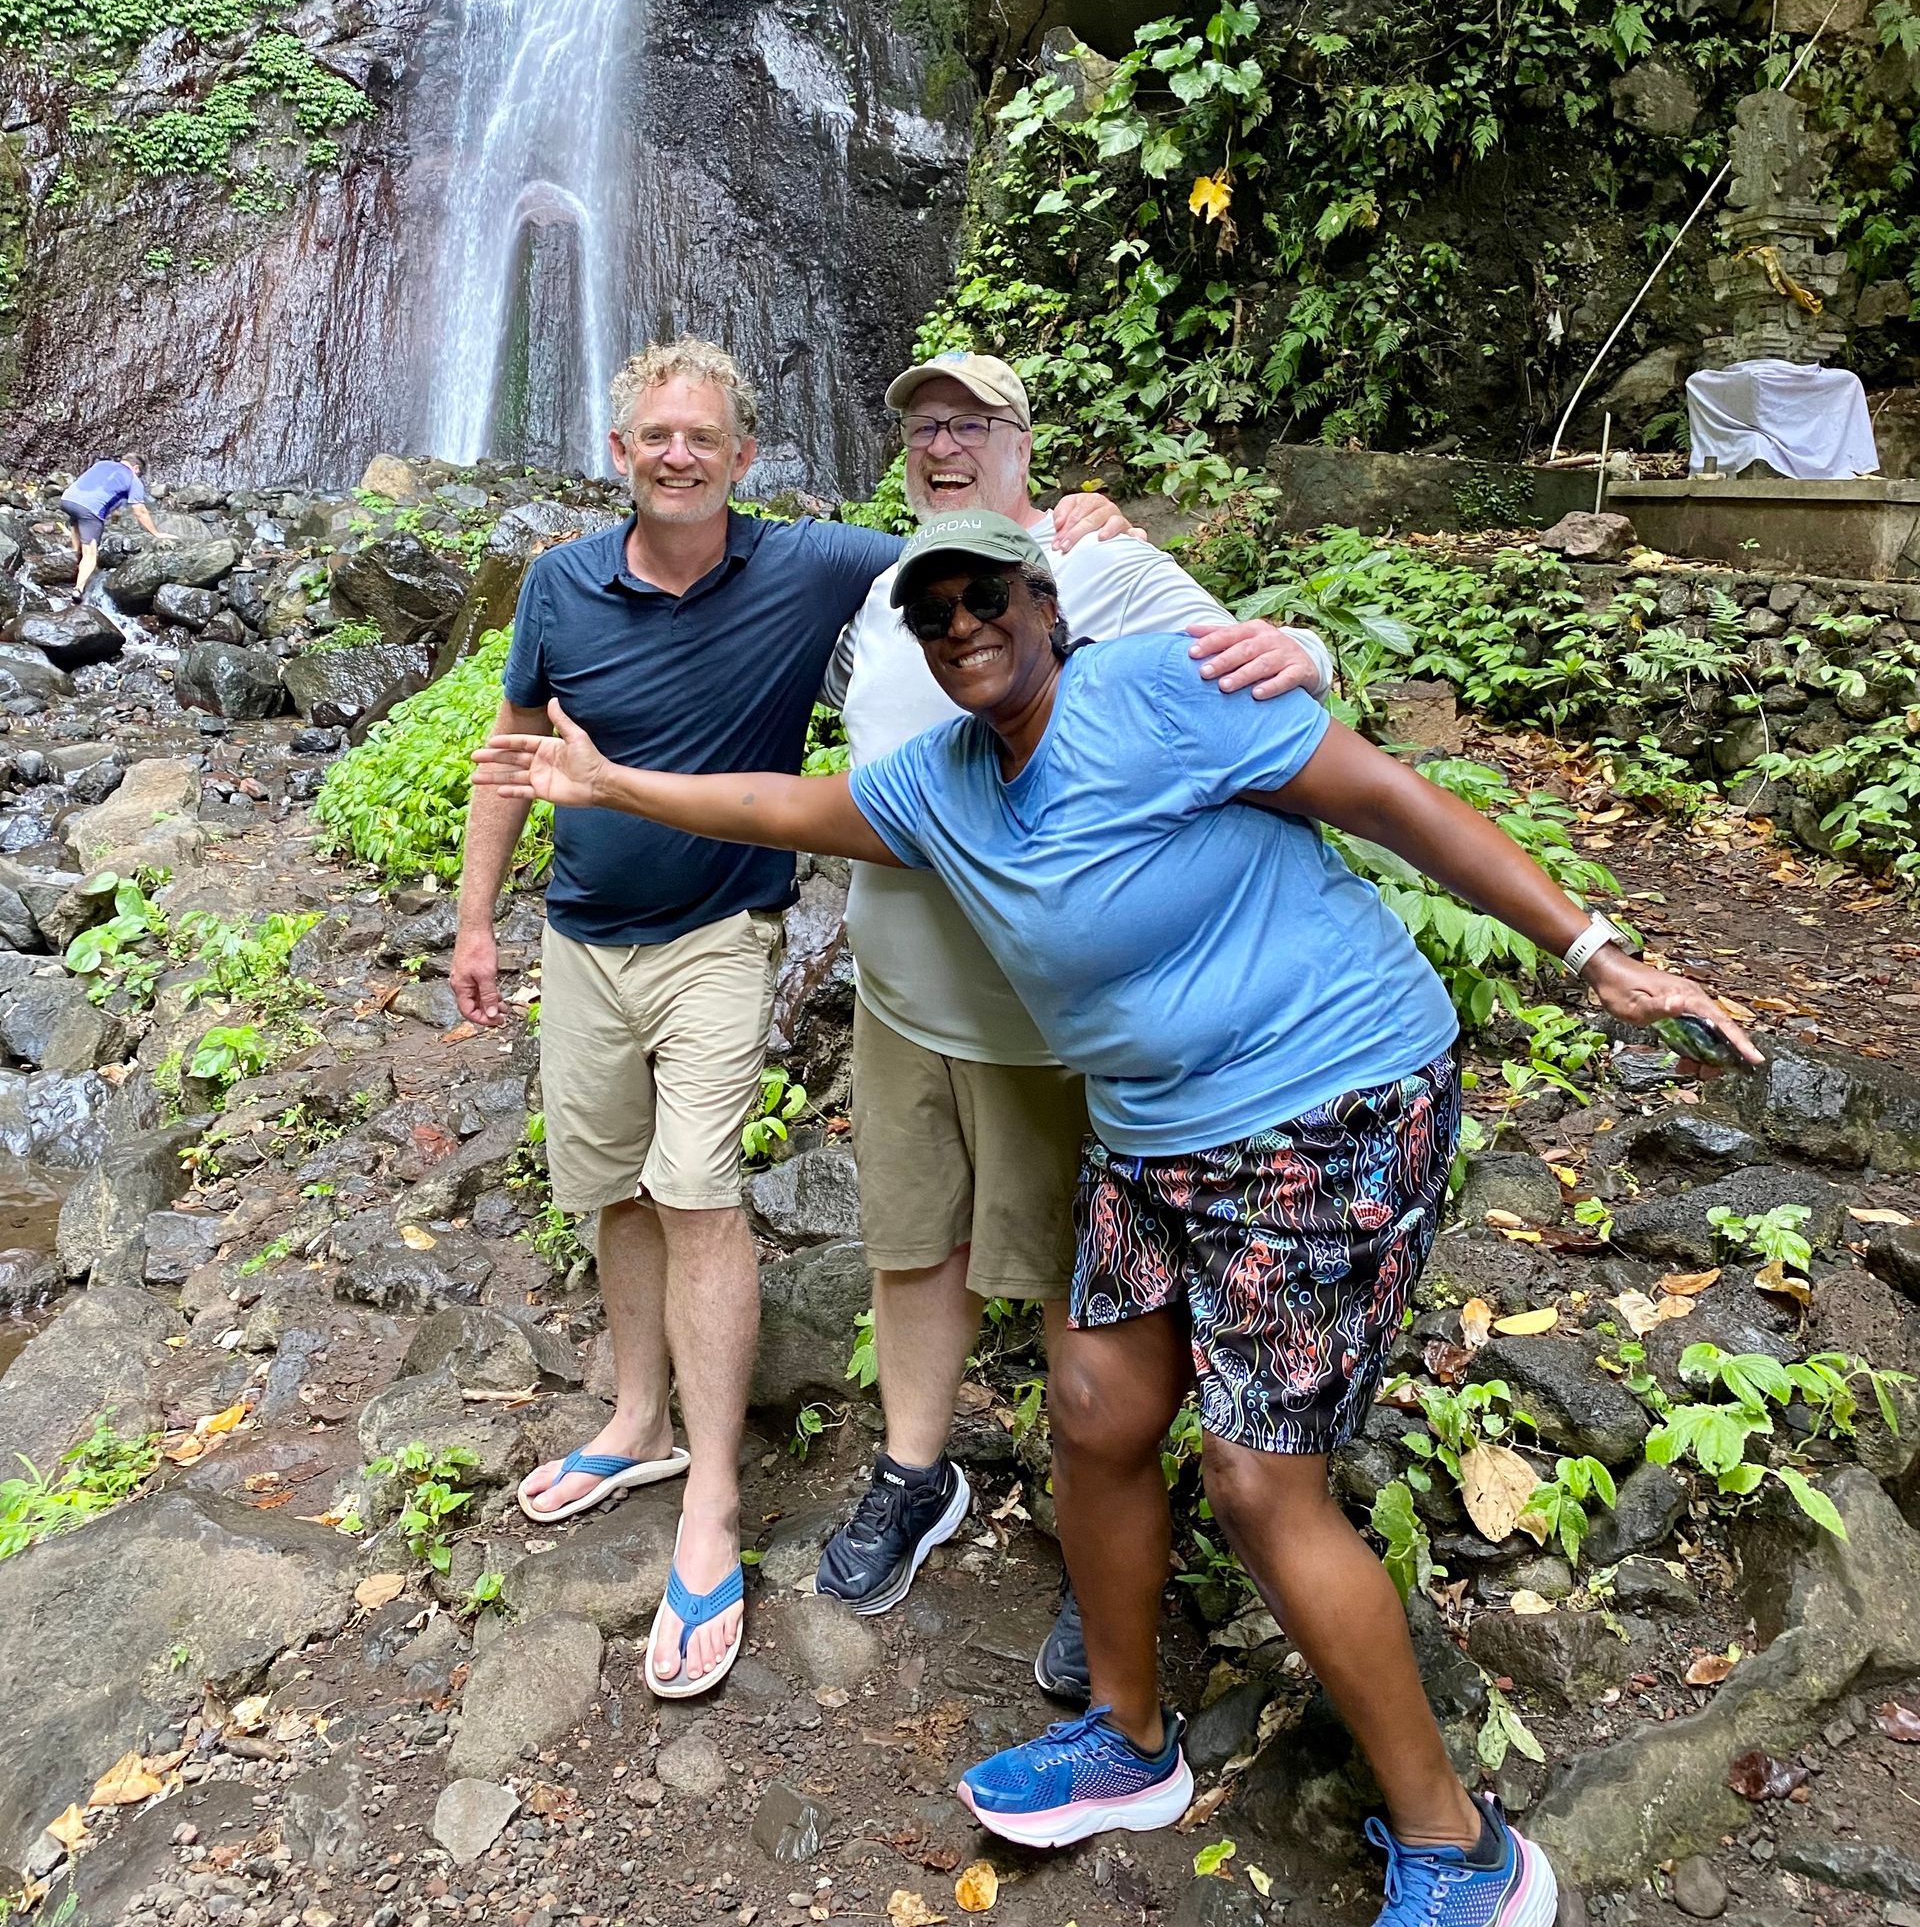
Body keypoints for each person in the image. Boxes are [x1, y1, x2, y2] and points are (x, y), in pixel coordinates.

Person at [472, 506, 1756, 1927]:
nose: (962, 627)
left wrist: (1594, 952)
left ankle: (1464, 1848)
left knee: (1261, 1485)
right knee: (1088, 1409)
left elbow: (1389, 800)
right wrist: (611, 781)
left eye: (985, 599)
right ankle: (1131, 1741)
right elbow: (780, 807)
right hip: (1153, 1138)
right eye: (932, 612)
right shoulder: (942, 786)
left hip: (1327, 1100)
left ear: (1043, 602)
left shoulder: (1159, 691)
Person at [449, 339, 1143, 1698]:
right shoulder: (578, 584)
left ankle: (723, 1506)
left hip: (754, 938)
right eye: (654, 434)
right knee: (639, 1195)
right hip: (620, 944)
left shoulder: (859, 568)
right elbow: (512, 749)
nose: (677, 455)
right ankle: (653, 1422)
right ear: (620, 449)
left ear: (745, 458)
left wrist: (1094, 522)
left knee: (713, 1190)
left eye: (701, 437)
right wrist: (477, 921)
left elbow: (1016, 566)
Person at [816, 352, 1330, 1697]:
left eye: (970, 425)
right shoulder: (888, 593)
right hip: (898, 998)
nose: (943, 446)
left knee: (1070, 1286)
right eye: (924, 425)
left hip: (1039, 1016)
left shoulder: (1092, 567)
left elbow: (1267, 666)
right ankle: (914, 1477)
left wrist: (1313, 648)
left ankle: (1087, 1547)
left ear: (1023, 445)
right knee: (912, 1243)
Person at [59, 455, 158, 600]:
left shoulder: (102, 464)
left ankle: (73, 555)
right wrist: (156, 533)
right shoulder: (132, 478)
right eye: (139, 474)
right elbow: (140, 511)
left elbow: (100, 489)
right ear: (136, 468)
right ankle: (78, 589)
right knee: (91, 554)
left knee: (77, 519)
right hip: (90, 511)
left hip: (67, 500)